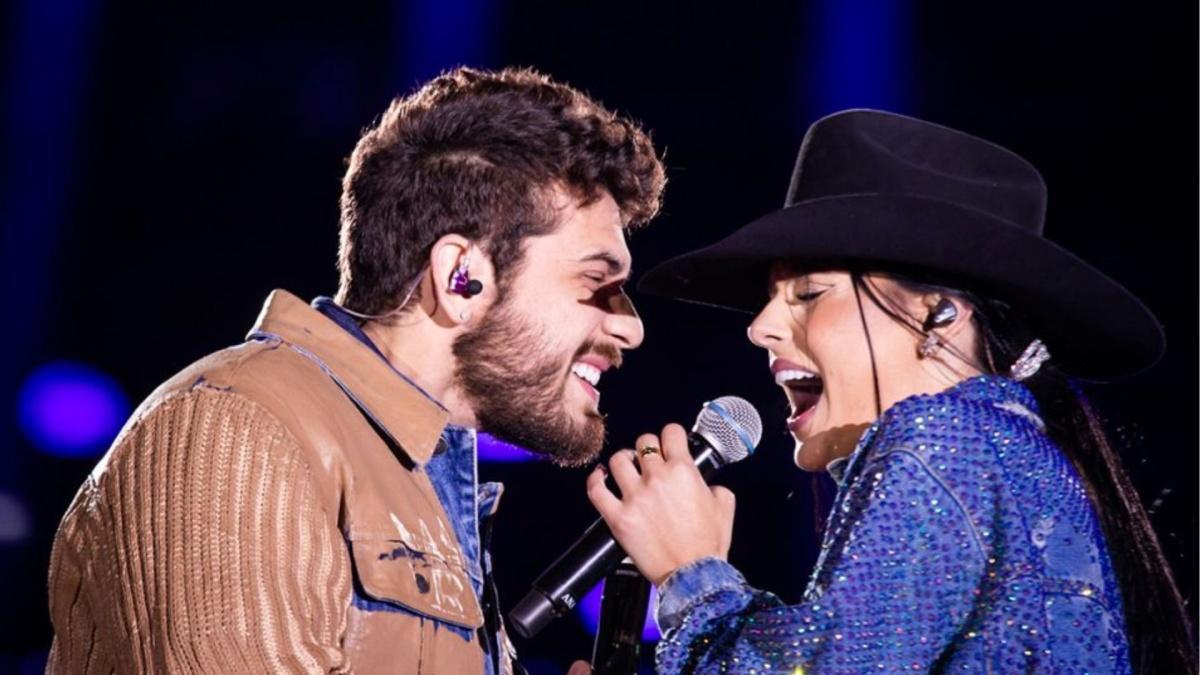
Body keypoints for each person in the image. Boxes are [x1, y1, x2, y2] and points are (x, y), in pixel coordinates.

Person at [46, 67, 666, 674]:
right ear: (462, 278)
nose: (629, 326)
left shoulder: (417, 477)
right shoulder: (238, 426)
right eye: (595, 281)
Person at [585, 110, 1194, 673]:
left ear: (941, 316)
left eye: (809, 295)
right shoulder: (1019, 453)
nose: (760, 327)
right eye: (771, 298)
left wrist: (694, 576)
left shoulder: (945, 438)